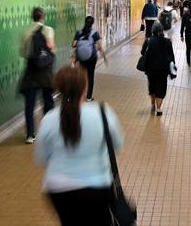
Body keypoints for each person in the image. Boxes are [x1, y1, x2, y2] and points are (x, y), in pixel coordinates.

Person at [35, 66, 124, 226]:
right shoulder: (103, 113)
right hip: (98, 186)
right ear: (85, 86)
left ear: (60, 89)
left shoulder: (49, 119)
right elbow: (118, 145)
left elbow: (40, 159)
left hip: (59, 189)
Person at [19, 7, 56, 144]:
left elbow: (22, 53)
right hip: (45, 72)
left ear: (32, 17)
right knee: (48, 102)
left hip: (31, 71)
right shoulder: (48, 30)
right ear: (43, 17)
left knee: (30, 105)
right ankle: (49, 133)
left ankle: (30, 135)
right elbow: (51, 47)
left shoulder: (25, 32)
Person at [141, 23, 175, 116]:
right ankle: (159, 108)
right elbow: (171, 56)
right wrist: (172, 68)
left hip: (150, 69)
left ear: (153, 30)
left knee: (152, 87)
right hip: (163, 70)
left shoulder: (148, 40)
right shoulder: (167, 42)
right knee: (161, 88)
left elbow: (142, 52)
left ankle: (152, 104)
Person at [73, 16, 107, 102]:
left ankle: (81, 94)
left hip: (81, 58)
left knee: (82, 76)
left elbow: (74, 44)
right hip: (91, 58)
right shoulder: (95, 33)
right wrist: (104, 56)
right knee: (90, 76)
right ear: (92, 23)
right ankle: (88, 97)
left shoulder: (79, 32)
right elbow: (99, 47)